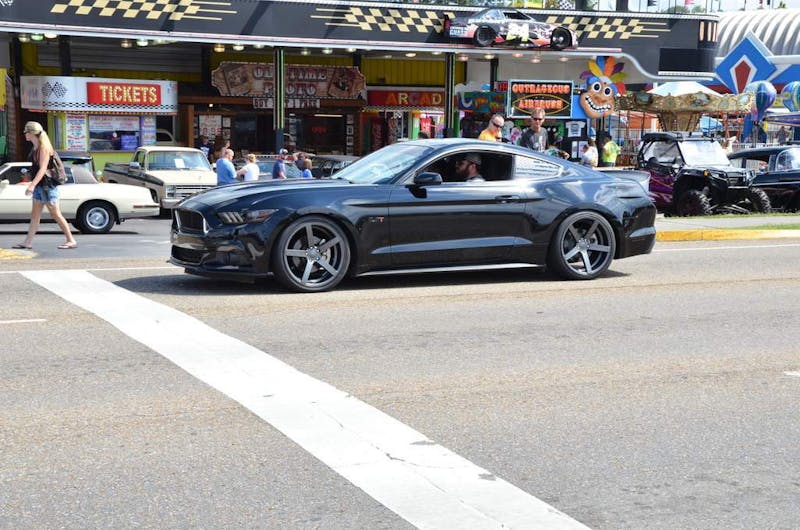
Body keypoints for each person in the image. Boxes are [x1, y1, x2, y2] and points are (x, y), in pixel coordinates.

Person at [13, 121, 77, 250]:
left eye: (26, 132)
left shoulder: (43, 148)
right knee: (35, 216)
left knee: (56, 214)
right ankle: (28, 242)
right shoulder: (35, 147)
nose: (25, 134)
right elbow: (36, 170)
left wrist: (31, 185)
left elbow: (43, 169)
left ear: (31, 133)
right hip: (39, 187)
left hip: (47, 187)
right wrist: (31, 183)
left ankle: (71, 240)